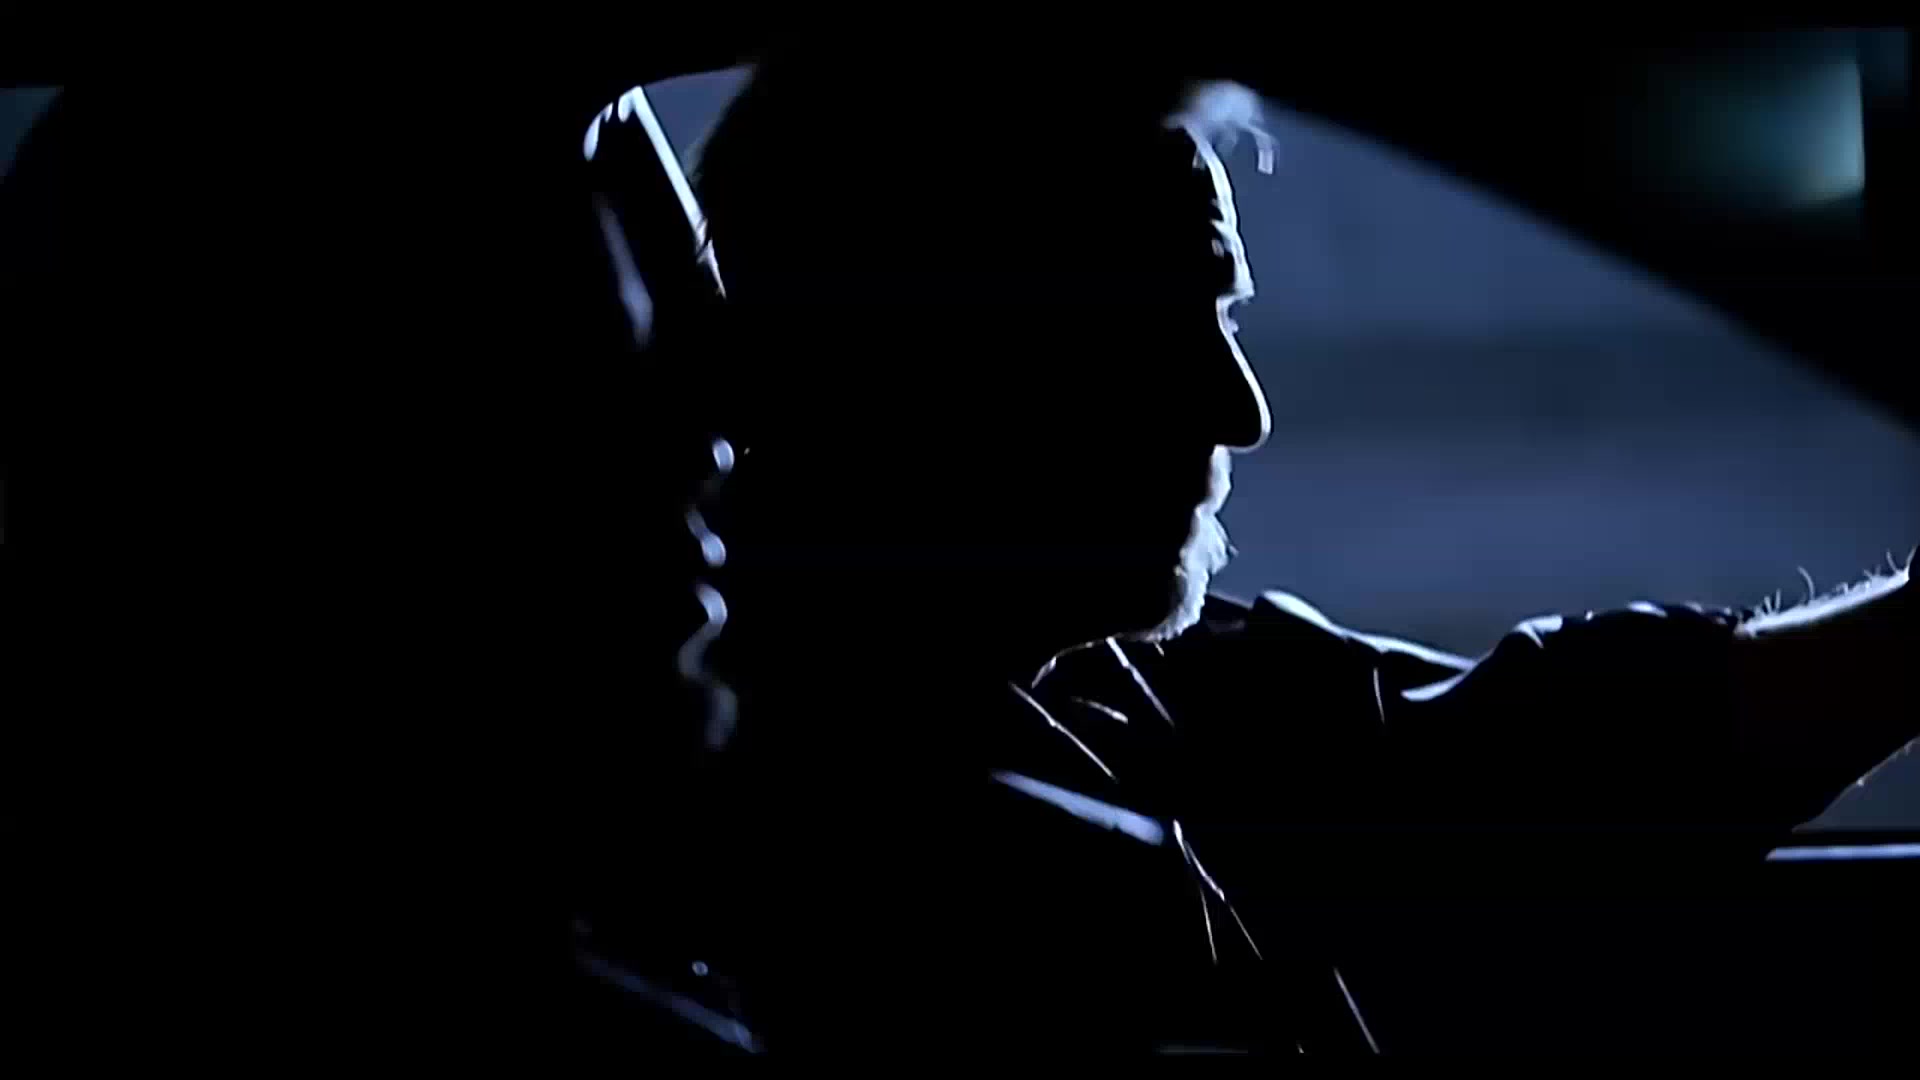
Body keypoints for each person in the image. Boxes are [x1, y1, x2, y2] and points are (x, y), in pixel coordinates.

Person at [568, 50, 1919, 1055]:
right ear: (948, 360)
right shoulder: (904, 867)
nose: (1242, 407)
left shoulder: (1119, 692)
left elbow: (1528, 747)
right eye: (1165, 326)